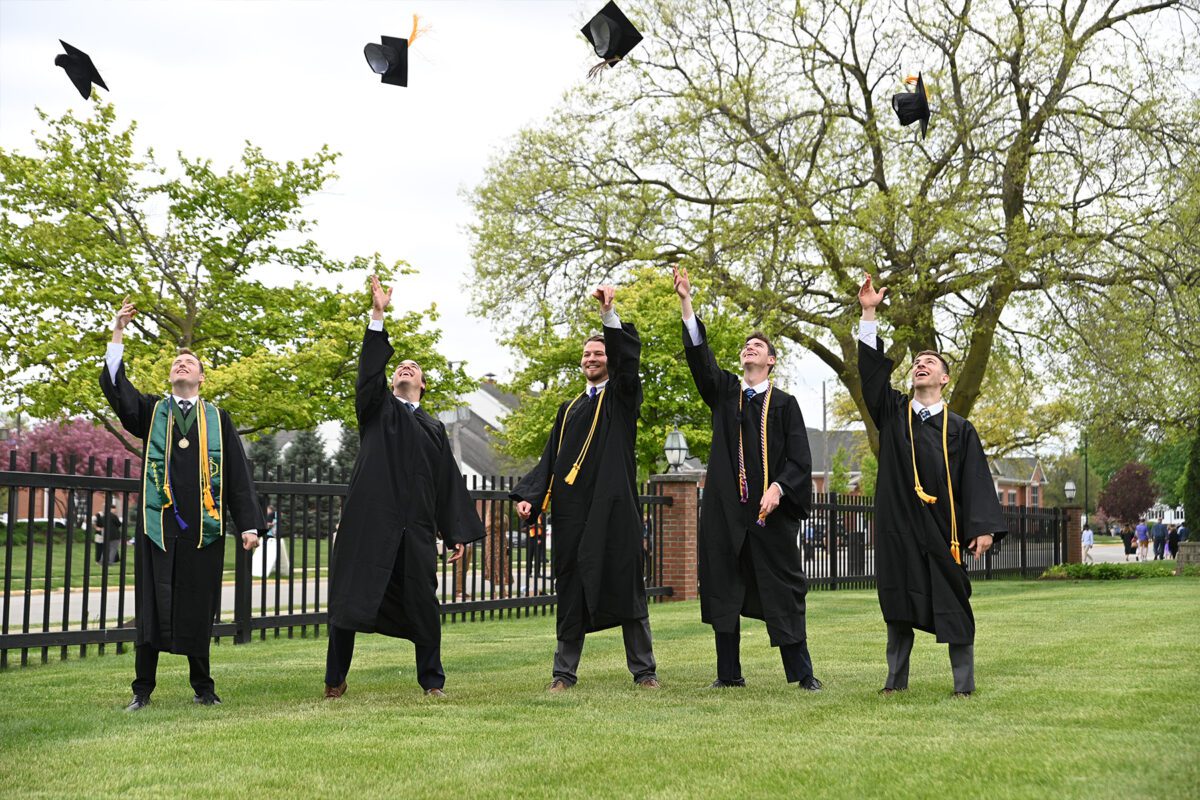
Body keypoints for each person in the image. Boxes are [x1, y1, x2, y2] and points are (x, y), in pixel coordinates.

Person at [324, 276, 485, 699]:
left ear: (424, 385)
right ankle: (334, 681)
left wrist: (455, 533)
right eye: (399, 367)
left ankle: (432, 682)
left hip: (413, 531)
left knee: (423, 606)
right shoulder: (377, 410)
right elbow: (369, 371)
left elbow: (447, 483)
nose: (404, 368)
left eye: (413, 368)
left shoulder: (433, 428)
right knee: (349, 600)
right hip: (369, 524)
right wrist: (378, 316)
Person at [101, 298, 264, 711]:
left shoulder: (218, 418)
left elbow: (239, 475)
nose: (181, 365)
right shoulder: (153, 412)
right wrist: (118, 331)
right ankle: (142, 691)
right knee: (152, 606)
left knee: (197, 605)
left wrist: (249, 524)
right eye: (177, 363)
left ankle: (203, 687)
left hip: (203, 526)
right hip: (158, 526)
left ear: (202, 379)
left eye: (189, 363)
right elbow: (118, 391)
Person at [855, 274, 1007, 697]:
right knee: (898, 605)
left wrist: (983, 527)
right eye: (916, 363)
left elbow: (975, 479)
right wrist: (869, 314)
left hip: (944, 532)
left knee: (954, 602)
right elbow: (869, 378)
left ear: (944, 379)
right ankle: (894, 682)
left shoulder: (959, 428)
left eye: (930, 363)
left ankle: (964, 685)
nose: (921, 365)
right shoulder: (893, 413)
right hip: (899, 527)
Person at [673, 266, 821, 691]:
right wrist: (687, 303)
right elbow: (701, 361)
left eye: (758, 346)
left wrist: (778, 487)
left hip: (768, 515)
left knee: (783, 588)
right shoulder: (724, 395)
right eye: (745, 346)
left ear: (771, 360)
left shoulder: (786, 405)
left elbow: (799, 458)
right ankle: (728, 674)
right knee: (724, 588)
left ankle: (803, 674)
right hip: (725, 512)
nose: (749, 349)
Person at [511, 285, 659, 692]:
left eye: (599, 354)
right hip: (574, 512)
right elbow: (550, 460)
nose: (591, 359)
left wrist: (609, 317)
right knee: (572, 588)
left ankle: (644, 671)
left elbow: (629, 367)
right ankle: (563, 674)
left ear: (610, 359)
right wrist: (531, 498)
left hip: (613, 508)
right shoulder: (570, 408)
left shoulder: (622, 398)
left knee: (626, 586)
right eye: (586, 355)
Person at [525, 513, 548, 593]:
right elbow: (522, 529)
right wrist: (531, 526)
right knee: (529, 556)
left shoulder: (541, 517)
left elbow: (544, 527)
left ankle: (538, 572)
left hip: (539, 538)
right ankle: (529, 572)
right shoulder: (527, 516)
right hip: (530, 538)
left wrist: (539, 526)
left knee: (537, 557)